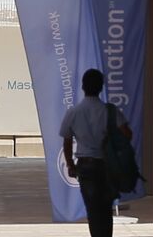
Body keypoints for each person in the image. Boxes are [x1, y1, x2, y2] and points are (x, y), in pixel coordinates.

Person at [61, 68, 130, 237]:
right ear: (101, 87)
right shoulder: (109, 111)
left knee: (93, 210)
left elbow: (67, 141)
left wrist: (70, 164)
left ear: (83, 87)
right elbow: (127, 134)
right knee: (106, 210)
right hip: (106, 166)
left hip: (85, 167)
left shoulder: (74, 112)